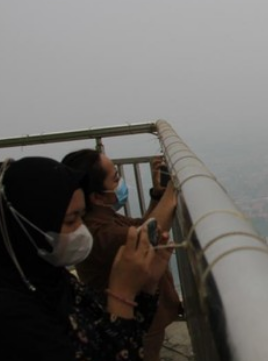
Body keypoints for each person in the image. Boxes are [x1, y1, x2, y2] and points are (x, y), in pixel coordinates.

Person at [0, 157, 173, 361]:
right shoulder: (2, 316)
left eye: (82, 216)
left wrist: (147, 286)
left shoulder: (49, 280)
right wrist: (122, 293)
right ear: (26, 225)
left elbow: (109, 334)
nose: (82, 230)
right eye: (71, 220)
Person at [62, 149, 180, 361]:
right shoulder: (97, 232)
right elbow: (147, 234)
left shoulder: (103, 217)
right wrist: (175, 188)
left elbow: (140, 226)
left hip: (142, 315)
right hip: (131, 320)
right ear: (97, 197)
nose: (121, 182)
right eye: (115, 178)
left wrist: (158, 194)